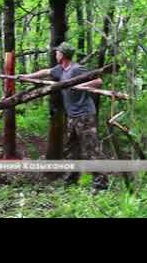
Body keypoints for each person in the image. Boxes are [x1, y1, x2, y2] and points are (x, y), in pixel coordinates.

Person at [21, 42, 109, 191]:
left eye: (57, 53)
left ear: (62, 55)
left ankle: (101, 184)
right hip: (72, 116)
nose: (55, 55)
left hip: (85, 115)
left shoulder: (77, 69)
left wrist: (81, 86)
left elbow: (98, 81)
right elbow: (46, 72)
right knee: (71, 149)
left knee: (91, 149)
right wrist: (26, 76)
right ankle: (71, 180)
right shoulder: (61, 70)